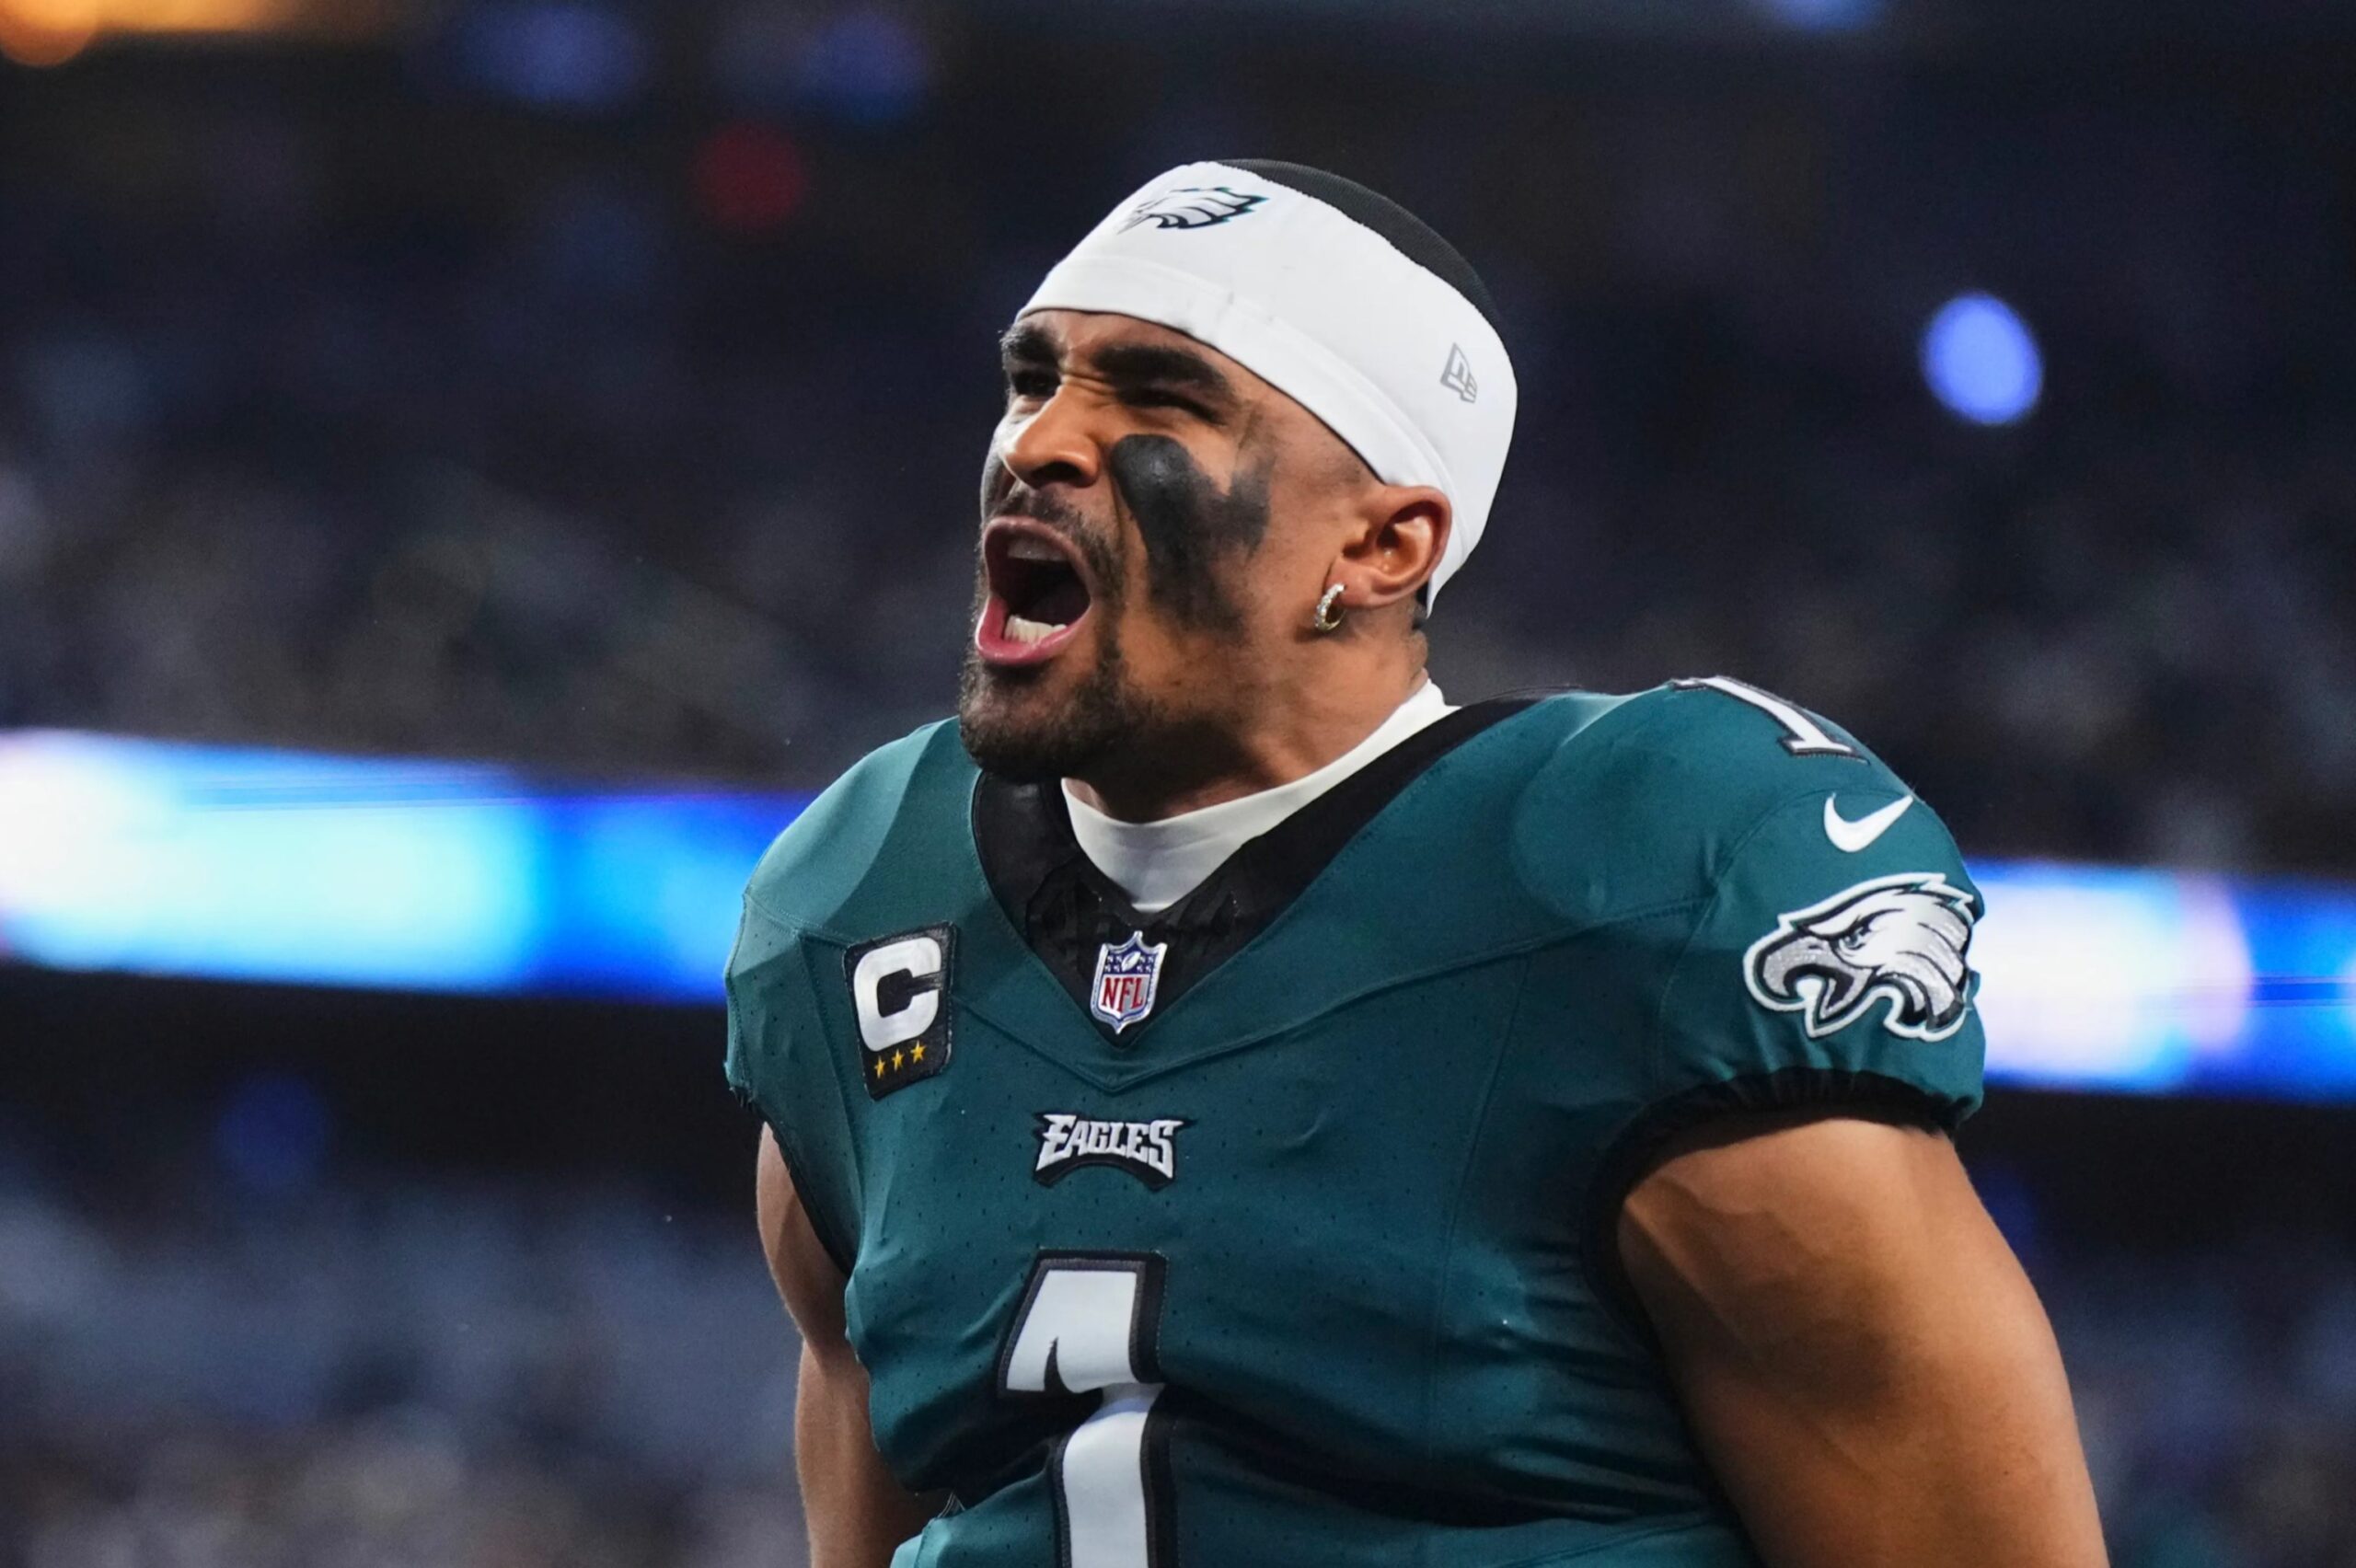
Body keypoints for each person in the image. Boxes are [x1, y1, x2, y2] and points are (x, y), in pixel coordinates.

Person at [728, 159, 2106, 1568]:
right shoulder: (863, 902)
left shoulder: (1633, 880)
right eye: (1034, 380)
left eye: (1158, 397)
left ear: (1385, 545)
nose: (1040, 441)